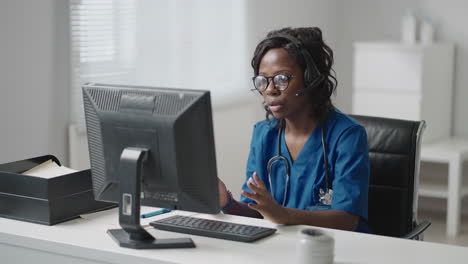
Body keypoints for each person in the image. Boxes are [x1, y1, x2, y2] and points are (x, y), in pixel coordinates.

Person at [217, 27, 371, 232]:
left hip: (333, 249)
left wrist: (283, 215)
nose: (270, 90)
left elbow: (346, 220)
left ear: (310, 78)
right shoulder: (264, 134)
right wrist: (227, 203)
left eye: (282, 79)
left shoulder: (347, 136)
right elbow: (256, 212)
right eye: (263, 80)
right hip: (279, 249)